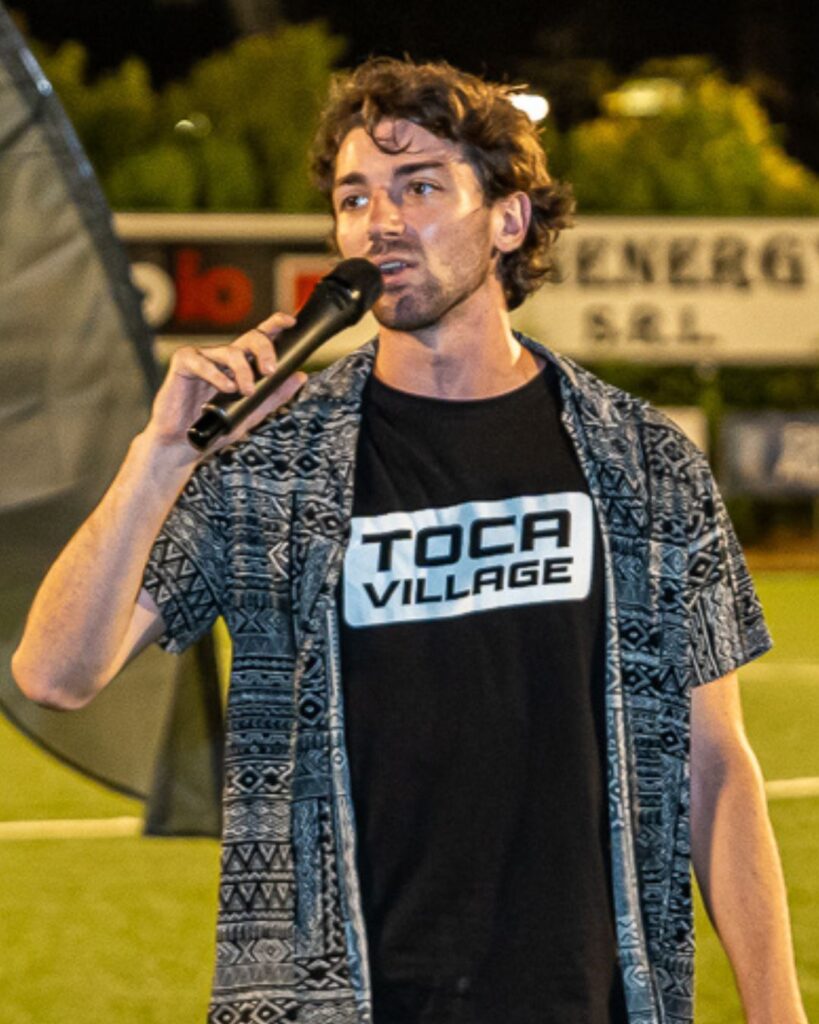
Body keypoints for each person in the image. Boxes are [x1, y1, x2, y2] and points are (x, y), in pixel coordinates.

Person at [12, 57, 807, 1024]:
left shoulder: (642, 461)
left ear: (507, 220)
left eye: (419, 187)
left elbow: (714, 765)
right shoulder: (268, 468)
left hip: (585, 997)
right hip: (330, 1002)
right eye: (354, 198)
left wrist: (776, 1011)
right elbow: (54, 674)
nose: (379, 222)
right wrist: (158, 459)